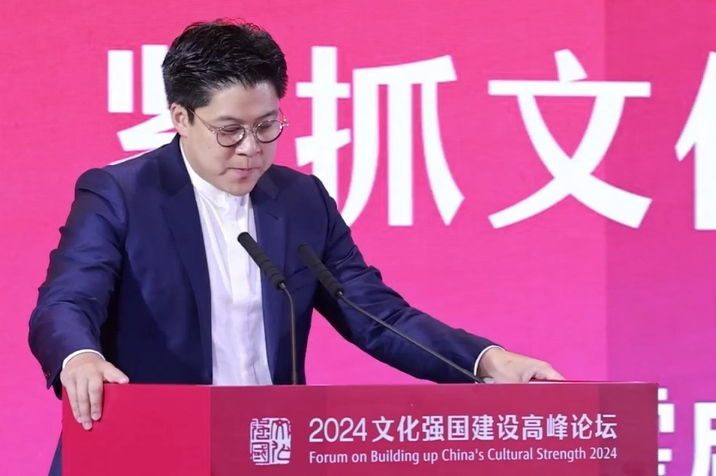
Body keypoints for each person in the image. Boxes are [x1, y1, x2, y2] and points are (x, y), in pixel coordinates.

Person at [28, 19, 563, 475]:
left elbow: (374, 314)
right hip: (145, 448)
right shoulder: (120, 194)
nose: (251, 149)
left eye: (267, 126)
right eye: (229, 130)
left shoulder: (301, 200)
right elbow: (67, 301)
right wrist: (80, 355)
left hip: (264, 450)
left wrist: (485, 360)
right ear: (181, 117)